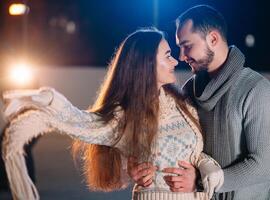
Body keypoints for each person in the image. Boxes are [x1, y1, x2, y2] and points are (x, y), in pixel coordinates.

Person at [1, 28, 224, 200]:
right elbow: (79, 122)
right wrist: (51, 101)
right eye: (167, 55)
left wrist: (205, 171)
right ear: (146, 63)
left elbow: (195, 153)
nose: (175, 61)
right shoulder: (124, 116)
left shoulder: (182, 104)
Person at [128, 5, 270, 200]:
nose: (181, 56)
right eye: (179, 47)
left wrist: (201, 180)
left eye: (187, 45)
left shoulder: (257, 90)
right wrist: (138, 164)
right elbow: (166, 141)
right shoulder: (188, 91)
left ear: (213, 39)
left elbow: (263, 167)